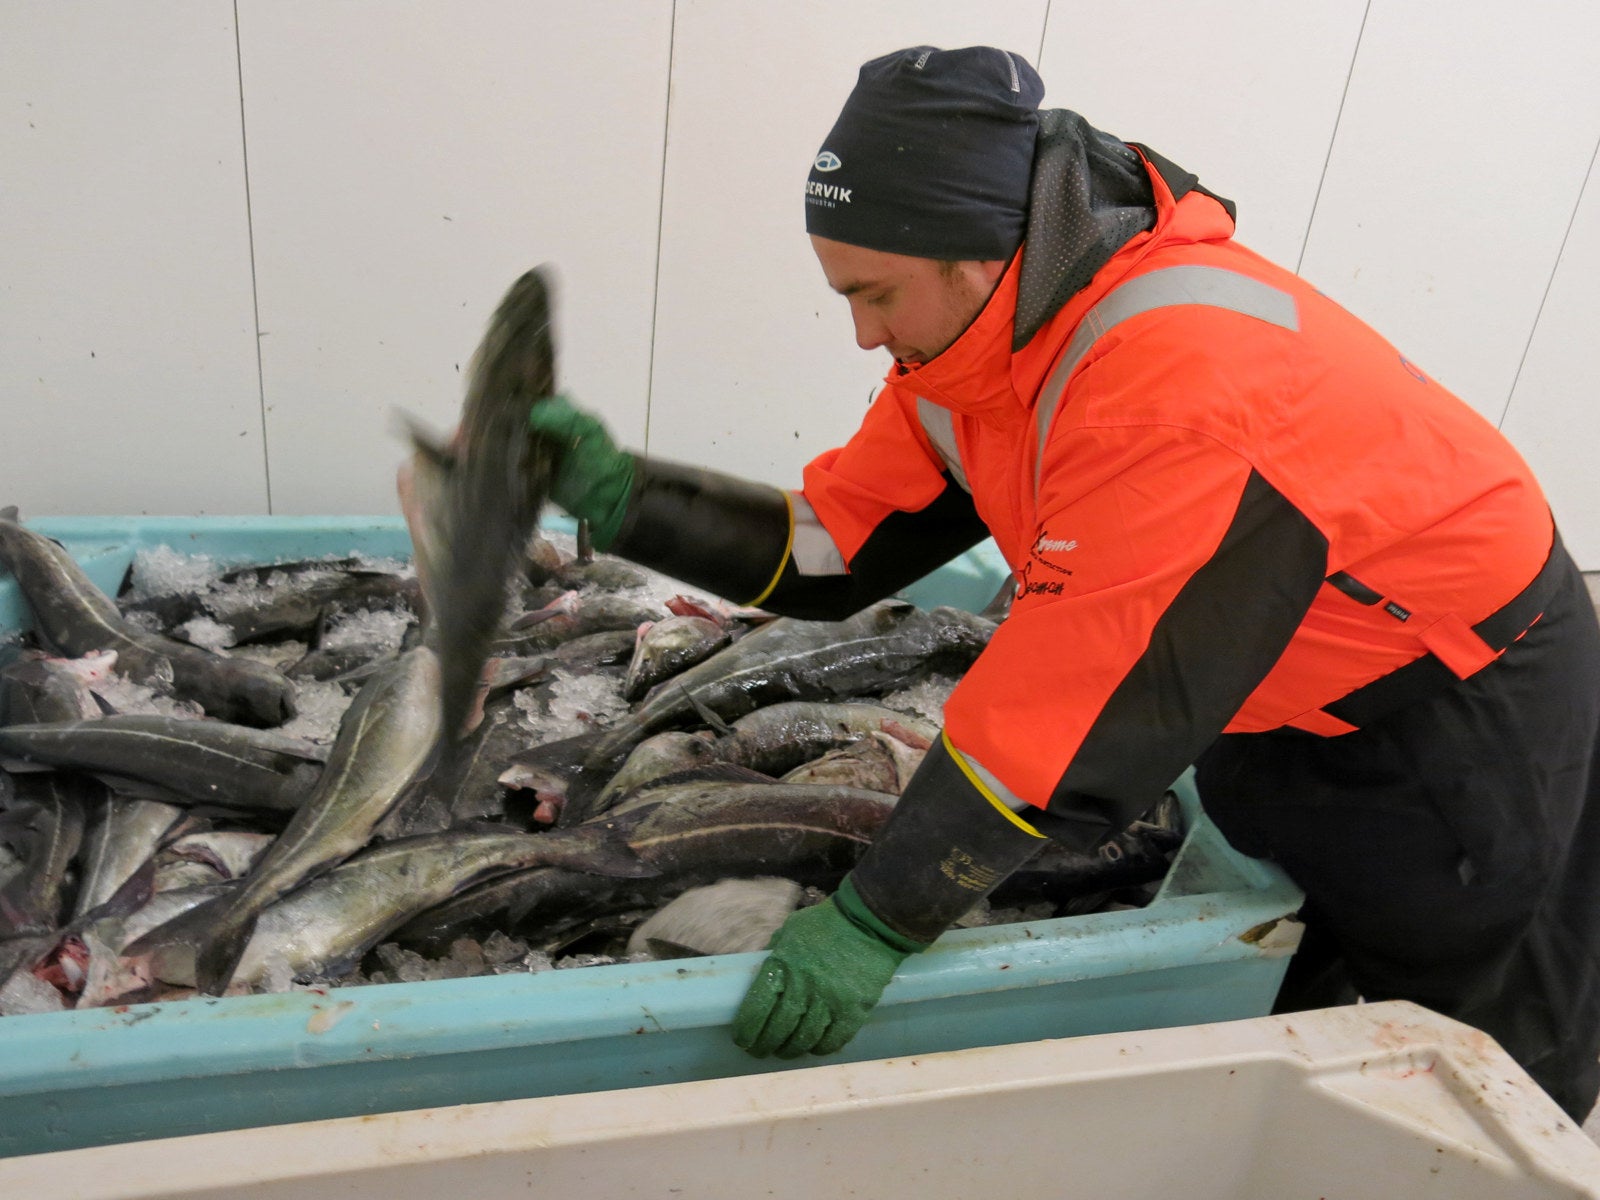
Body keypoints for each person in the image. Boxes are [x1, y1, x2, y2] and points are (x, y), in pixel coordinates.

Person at [522, 45, 1600, 1121]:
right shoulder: (974, 353)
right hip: (1263, 683)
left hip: (1452, 703)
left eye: (877, 294)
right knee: (1282, 968)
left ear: (974, 256)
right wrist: (629, 497)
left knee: (1472, 1030)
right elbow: (840, 543)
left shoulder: (1167, 384)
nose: (862, 334)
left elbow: (1068, 712)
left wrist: (877, 919)